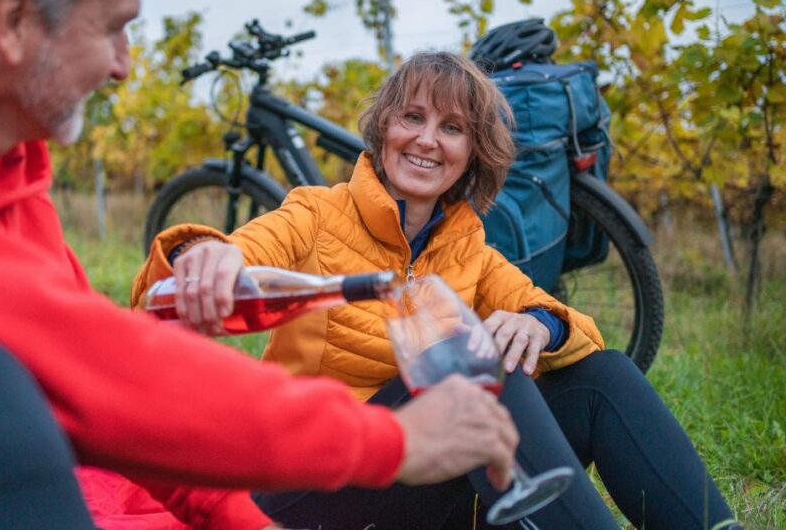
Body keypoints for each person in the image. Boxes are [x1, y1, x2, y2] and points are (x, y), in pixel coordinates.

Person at [0, 0, 524, 530]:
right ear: (11, 19)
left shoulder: (7, 169)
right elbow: (91, 369)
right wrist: (388, 441)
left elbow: (118, 385)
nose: (124, 64)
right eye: (112, 27)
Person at [135, 52, 741, 530]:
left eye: (452, 128)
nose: (428, 140)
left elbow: (571, 329)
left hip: (416, 482)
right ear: (383, 128)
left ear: (472, 153)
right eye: (413, 118)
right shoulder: (315, 213)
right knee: (474, 368)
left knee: (601, 378)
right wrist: (202, 255)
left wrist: (540, 325)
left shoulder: (467, 246)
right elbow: (243, 250)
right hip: (312, 482)